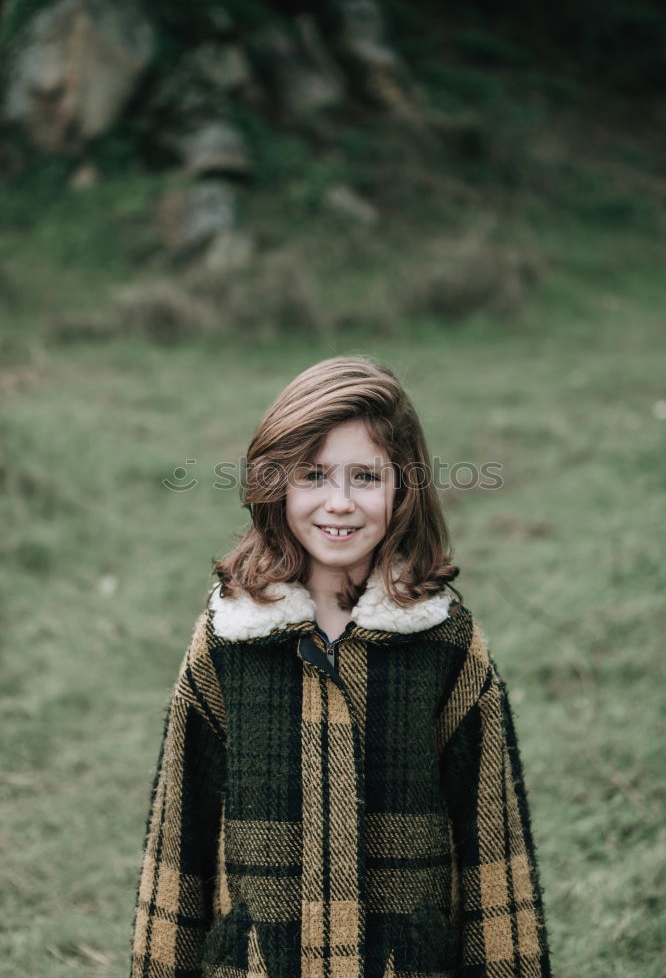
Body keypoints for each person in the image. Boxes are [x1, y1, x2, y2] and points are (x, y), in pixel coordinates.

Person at [130, 355, 552, 978]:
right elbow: (178, 846)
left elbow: (495, 846)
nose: (341, 503)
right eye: (314, 475)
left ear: (403, 488)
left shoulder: (449, 647)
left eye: (366, 476)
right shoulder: (225, 644)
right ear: (276, 484)